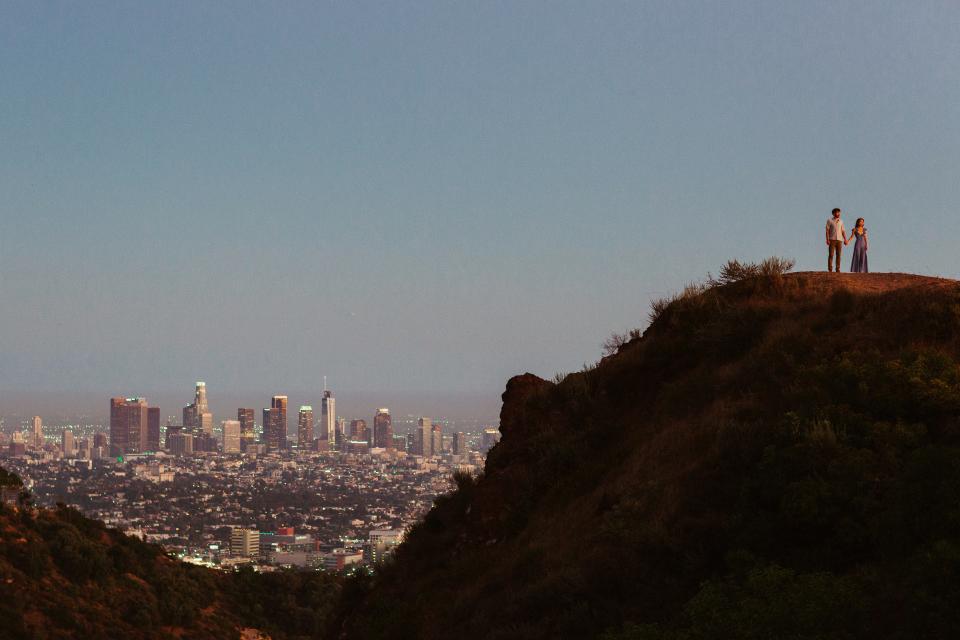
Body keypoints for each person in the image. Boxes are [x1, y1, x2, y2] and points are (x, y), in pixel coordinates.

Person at [825, 208, 846, 272]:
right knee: (831, 254)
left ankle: (838, 268)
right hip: (832, 239)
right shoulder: (829, 220)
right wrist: (827, 239)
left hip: (839, 240)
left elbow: (843, 231)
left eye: (839, 212)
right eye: (837, 212)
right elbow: (827, 230)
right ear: (833, 213)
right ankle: (830, 268)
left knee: (838, 255)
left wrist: (845, 239)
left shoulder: (841, 221)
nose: (838, 214)